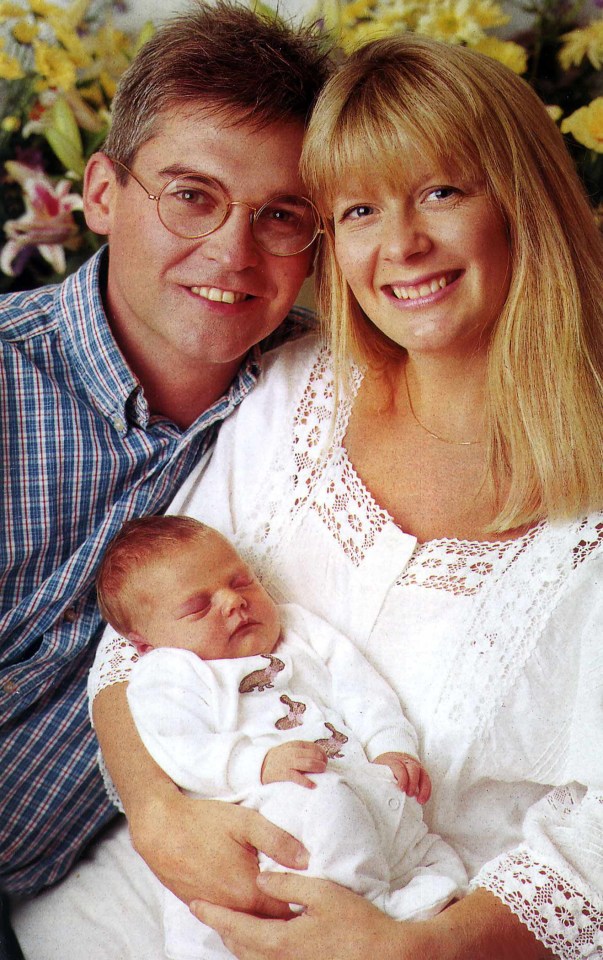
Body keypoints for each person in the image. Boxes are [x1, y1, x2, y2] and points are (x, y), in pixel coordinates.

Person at [87, 32, 603, 960]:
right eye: (358, 208)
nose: (399, 245)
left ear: (521, 201)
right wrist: (164, 815)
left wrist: (427, 951)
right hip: (181, 903)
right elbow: (144, 634)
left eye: (441, 191)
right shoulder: (294, 392)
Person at [1, 0, 331, 949]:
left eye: (281, 217)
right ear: (102, 192)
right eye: (190, 195)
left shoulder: (308, 397)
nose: (231, 253)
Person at [95, 514, 466, 959]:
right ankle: (361, 909)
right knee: (327, 809)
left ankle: (419, 904)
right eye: (198, 607)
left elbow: (360, 686)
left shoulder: (297, 630)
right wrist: (258, 764)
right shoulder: (168, 672)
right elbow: (180, 746)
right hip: (267, 803)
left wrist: (390, 744)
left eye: (242, 581)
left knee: (417, 831)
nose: (234, 602)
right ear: (145, 643)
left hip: (358, 778)